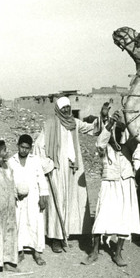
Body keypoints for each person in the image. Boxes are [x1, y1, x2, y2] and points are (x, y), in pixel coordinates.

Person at [33, 96, 96, 253]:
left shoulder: (74, 123)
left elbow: (92, 128)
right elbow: (38, 146)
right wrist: (48, 165)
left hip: (71, 169)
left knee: (68, 201)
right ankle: (55, 238)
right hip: (56, 170)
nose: (67, 110)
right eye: (63, 108)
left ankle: (64, 233)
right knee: (56, 203)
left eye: (68, 107)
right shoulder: (50, 125)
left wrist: (105, 119)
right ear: (58, 110)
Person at [82, 110, 140, 267]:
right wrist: (110, 123)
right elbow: (100, 142)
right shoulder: (104, 149)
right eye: (116, 130)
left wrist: (128, 122)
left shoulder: (128, 148)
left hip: (126, 184)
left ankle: (118, 254)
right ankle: (94, 252)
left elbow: (136, 138)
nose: (118, 133)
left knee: (124, 219)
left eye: (121, 131)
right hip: (109, 184)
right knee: (102, 218)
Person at [8, 134, 49, 266]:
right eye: (22, 147)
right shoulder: (11, 161)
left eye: (27, 148)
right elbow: (9, 180)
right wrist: (15, 194)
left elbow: (41, 179)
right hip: (18, 198)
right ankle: (19, 251)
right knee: (19, 222)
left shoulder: (35, 160)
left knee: (35, 222)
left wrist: (43, 196)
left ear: (30, 148)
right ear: (18, 146)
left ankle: (37, 252)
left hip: (33, 197)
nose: (24, 150)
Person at [0, 139, 19, 272]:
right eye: (4, 150)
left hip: (9, 204)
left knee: (9, 232)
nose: (6, 152)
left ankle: (8, 261)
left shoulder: (8, 164)